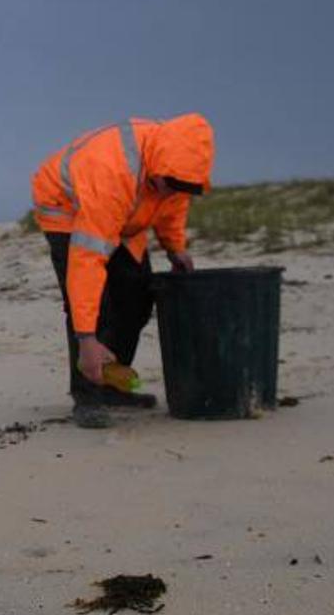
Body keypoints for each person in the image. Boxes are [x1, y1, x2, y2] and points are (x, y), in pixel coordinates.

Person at [31, 113, 214, 429]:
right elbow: (86, 263)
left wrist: (175, 248)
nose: (172, 192)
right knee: (96, 306)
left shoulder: (177, 170)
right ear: (157, 168)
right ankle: (88, 395)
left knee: (137, 298)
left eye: (180, 187)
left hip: (126, 217)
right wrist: (87, 338)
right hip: (67, 210)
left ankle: (112, 384)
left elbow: (170, 207)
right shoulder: (112, 173)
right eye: (168, 185)